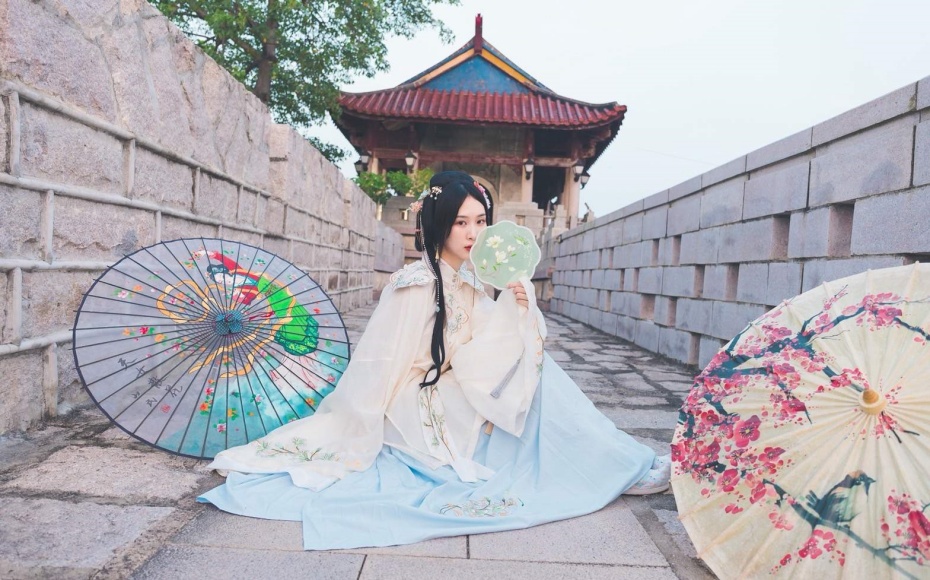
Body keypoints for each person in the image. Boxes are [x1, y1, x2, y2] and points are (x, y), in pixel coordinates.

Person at [200, 170, 670, 550]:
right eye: (461, 222)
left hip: (456, 385)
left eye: (480, 221)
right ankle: (616, 466)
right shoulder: (416, 283)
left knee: (535, 370)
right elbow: (379, 363)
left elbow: (488, 347)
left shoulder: (470, 280)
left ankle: (616, 460)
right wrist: (358, 429)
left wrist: (517, 308)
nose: (472, 233)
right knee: (535, 384)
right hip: (418, 399)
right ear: (440, 223)